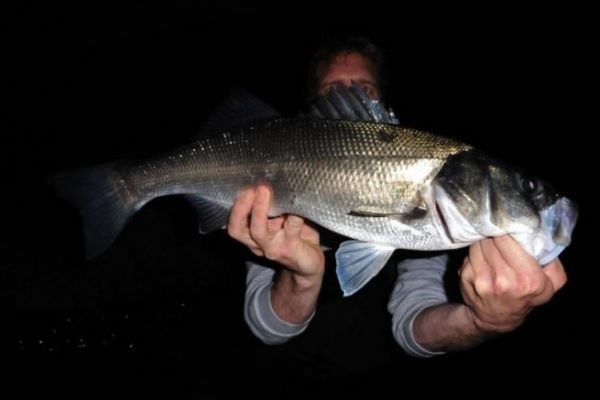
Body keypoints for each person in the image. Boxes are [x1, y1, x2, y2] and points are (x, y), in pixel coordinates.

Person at [227, 36, 567, 361]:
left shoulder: (444, 215)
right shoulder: (266, 172)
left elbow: (412, 326)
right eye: (334, 91)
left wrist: (483, 320)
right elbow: (266, 329)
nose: (349, 95)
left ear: (381, 104)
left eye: (364, 90)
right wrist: (299, 277)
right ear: (315, 105)